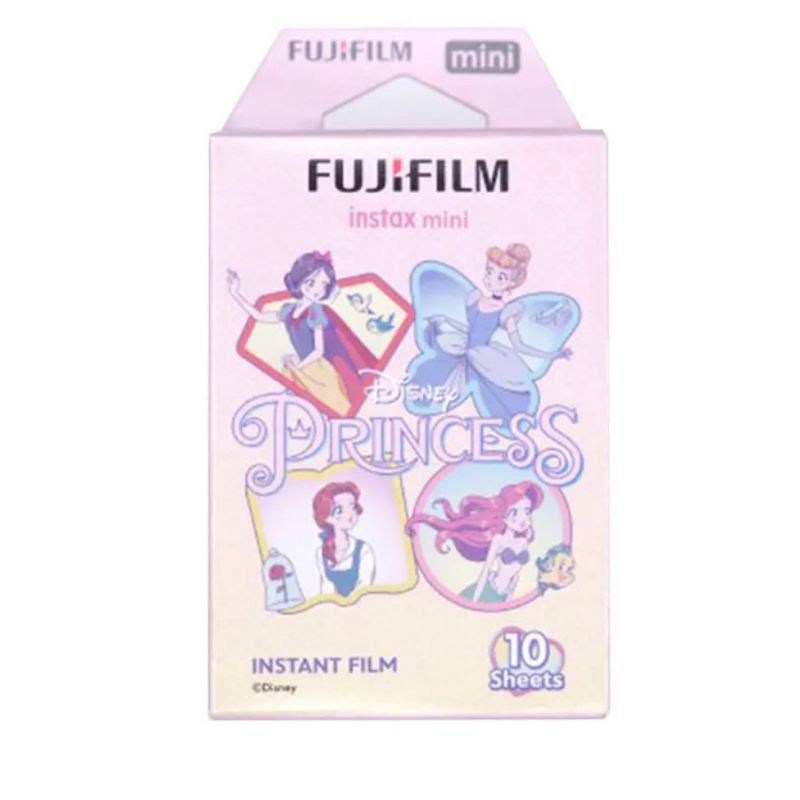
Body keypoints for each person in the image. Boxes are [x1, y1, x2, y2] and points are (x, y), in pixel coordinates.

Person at [227, 251, 376, 415]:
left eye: (323, 285)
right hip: (305, 367)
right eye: (311, 283)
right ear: (299, 281)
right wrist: (235, 293)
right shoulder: (289, 310)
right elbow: (259, 316)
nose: (317, 290)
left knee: (336, 407)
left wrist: (299, 366)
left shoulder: (315, 311)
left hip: (320, 369)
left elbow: (319, 350)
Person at [312, 481, 376, 598]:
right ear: (326, 517)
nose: (349, 514)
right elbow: (326, 589)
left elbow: (365, 588)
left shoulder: (363, 550)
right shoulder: (321, 553)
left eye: (352, 507)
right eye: (339, 510)